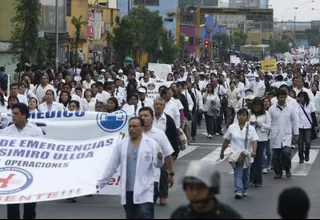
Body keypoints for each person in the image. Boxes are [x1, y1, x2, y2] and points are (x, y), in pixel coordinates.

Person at [98, 117, 164, 219]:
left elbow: (157, 165)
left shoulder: (151, 144)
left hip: (145, 189)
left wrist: (160, 159)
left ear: (142, 128)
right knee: (131, 216)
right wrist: (100, 183)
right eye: (130, 126)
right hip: (128, 190)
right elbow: (112, 165)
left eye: (135, 126)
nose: (131, 129)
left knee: (144, 214)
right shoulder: (122, 144)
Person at [2, 103, 43, 219]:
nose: (13, 117)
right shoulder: (6, 132)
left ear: (24, 115)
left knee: (29, 204)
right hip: (12, 172)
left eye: (16, 114)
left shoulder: (36, 131)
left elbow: (42, 151)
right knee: (12, 204)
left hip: (30, 171)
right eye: (12, 114)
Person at [170, 161, 242, 219]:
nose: (195, 193)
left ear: (212, 190)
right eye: (191, 188)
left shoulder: (228, 216)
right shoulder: (180, 215)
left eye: (200, 188)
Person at [220, 108, 259, 199]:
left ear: (247, 117)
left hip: (247, 155)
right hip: (235, 155)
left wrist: (254, 151)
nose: (241, 117)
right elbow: (226, 140)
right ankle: (238, 190)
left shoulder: (251, 128)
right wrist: (222, 152)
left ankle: (244, 188)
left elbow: (254, 141)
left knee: (245, 174)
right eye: (239, 115)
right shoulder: (232, 127)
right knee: (238, 173)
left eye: (243, 115)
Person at [269, 90, 299, 179]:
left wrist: (296, 133)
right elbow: (269, 122)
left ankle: (287, 169)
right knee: (275, 156)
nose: (282, 99)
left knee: (286, 153)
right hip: (275, 135)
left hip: (287, 135)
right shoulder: (272, 109)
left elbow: (295, 121)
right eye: (281, 97)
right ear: (277, 98)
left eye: (284, 97)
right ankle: (278, 172)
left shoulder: (290, 108)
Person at [297, 91, 319, 163]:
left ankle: (306, 153)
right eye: (299, 97)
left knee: (308, 142)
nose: (301, 99)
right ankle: (301, 157)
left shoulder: (310, 105)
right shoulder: (296, 105)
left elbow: (313, 116)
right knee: (300, 143)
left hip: (308, 126)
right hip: (299, 127)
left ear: (305, 98)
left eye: (302, 97)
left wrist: (316, 125)